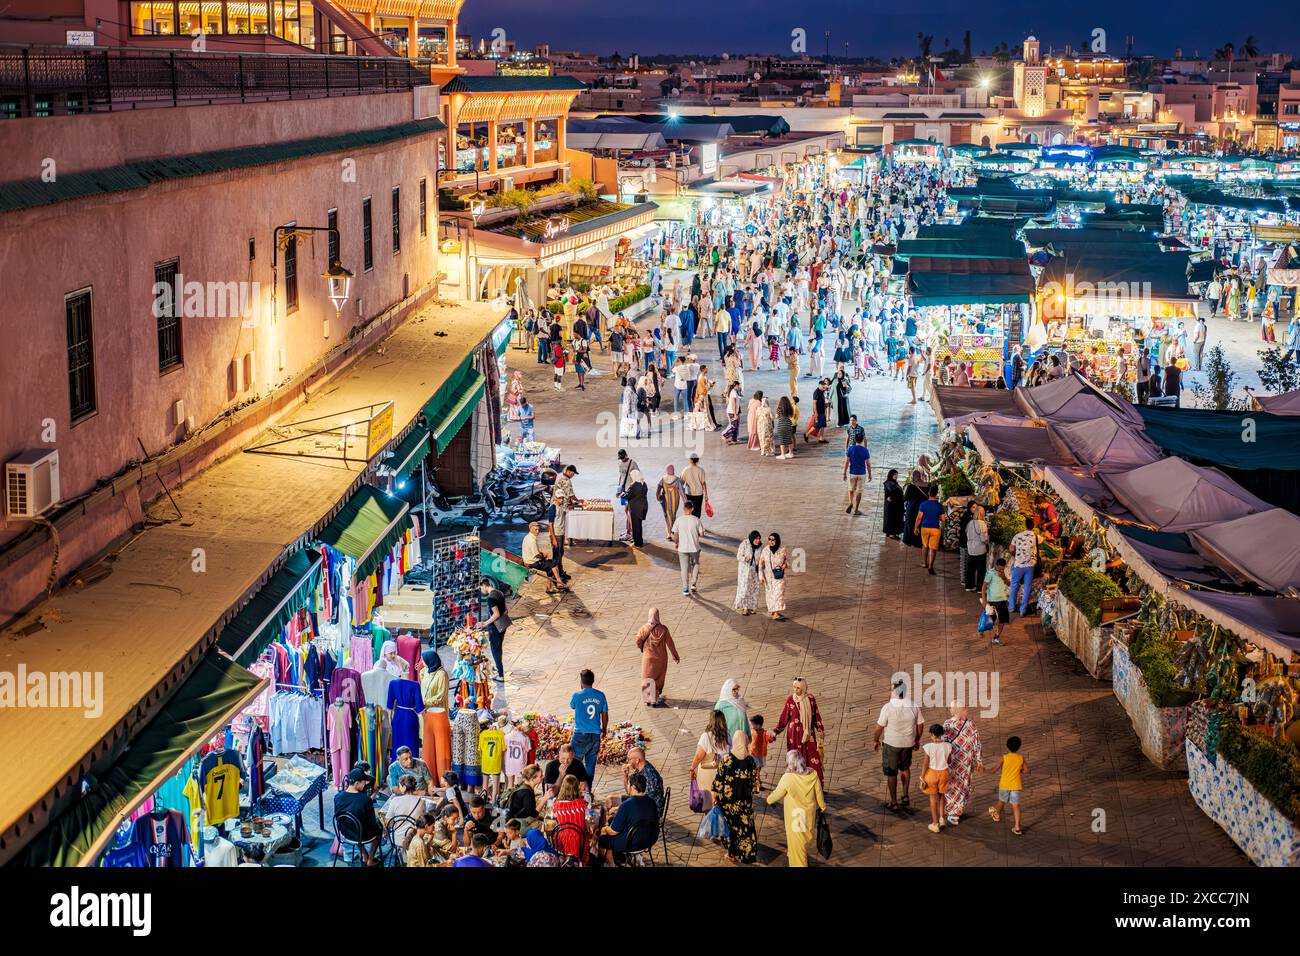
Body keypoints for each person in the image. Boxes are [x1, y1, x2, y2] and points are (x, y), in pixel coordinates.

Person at [765, 748, 826, 867]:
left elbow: (775, 795)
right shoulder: (813, 774)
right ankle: (793, 854)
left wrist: (768, 799)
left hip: (795, 821)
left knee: (798, 853)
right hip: (808, 817)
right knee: (803, 844)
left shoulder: (788, 778)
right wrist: (822, 807)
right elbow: (819, 794)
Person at [873, 678, 924, 811]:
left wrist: (875, 740)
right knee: (905, 768)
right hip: (908, 743)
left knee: (891, 773)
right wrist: (917, 739)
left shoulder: (888, 707)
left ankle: (894, 802)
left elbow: (879, 727)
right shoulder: (913, 706)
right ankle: (905, 795)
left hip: (891, 744)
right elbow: (920, 725)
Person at [711, 731, 760, 864]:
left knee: (731, 827)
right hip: (744, 803)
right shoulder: (751, 761)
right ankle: (746, 855)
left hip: (728, 803)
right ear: (745, 742)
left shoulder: (726, 760)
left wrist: (715, 798)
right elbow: (756, 787)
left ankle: (731, 854)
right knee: (745, 828)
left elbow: (718, 782)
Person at [598, 771, 659, 864]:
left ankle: (610, 863)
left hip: (631, 842)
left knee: (603, 837)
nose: (627, 786)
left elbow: (613, 831)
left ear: (633, 787)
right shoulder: (652, 802)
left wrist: (604, 828)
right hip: (649, 839)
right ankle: (622, 857)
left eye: (628, 784)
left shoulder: (627, 805)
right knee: (611, 828)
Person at [774, 678, 825, 783]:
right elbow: (784, 718)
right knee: (795, 760)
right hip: (794, 737)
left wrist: (820, 729)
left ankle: (816, 785)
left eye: (798, 688)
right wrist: (776, 731)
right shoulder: (790, 700)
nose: (795, 690)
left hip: (808, 735)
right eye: (794, 687)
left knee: (813, 759)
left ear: (803, 688)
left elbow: (815, 715)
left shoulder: (810, 699)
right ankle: (796, 785)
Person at [942, 703, 984, 827]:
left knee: (952, 786)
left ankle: (951, 811)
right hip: (966, 762)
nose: (949, 709)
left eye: (950, 708)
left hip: (951, 762)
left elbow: (943, 743)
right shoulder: (971, 724)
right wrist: (979, 760)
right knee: (963, 785)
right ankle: (956, 811)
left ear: (954, 711)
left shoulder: (947, 724)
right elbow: (977, 744)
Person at [334, 768, 383, 866]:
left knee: (357, 826)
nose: (365, 784)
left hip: (345, 832)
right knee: (379, 829)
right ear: (357, 783)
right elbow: (371, 823)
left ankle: (364, 854)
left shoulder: (337, 796)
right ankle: (370, 859)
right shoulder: (365, 800)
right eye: (363, 782)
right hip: (360, 834)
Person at [635, 607, 680, 707]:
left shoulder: (644, 629)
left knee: (647, 678)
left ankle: (647, 699)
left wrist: (642, 646)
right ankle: (654, 700)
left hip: (648, 658)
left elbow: (637, 640)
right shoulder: (663, 629)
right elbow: (670, 643)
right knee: (657, 679)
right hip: (661, 659)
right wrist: (675, 654)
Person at [569, 669, 608, 781]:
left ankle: (574, 790)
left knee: (574, 765)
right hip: (595, 735)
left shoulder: (577, 695)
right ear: (593, 681)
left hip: (580, 735)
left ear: (581, 682)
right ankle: (587, 791)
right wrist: (604, 729)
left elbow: (572, 706)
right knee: (590, 767)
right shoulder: (601, 696)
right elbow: (604, 715)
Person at [985, 736, 1028, 835]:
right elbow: (1026, 770)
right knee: (1016, 806)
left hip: (1004, 785)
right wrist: (1019, 770)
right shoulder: (1021, 758)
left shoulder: (1004, 758)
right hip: (1016, 786)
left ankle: (995, 812)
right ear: (1019, 746)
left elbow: (993, 770)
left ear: (1007, 746)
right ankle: (1017, 827)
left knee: (1002, 801)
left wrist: (984, 770)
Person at [690, 710, 732, 799]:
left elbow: (698, 756)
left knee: (708, 799)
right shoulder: (728, 736)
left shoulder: (706, 736)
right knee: (720, 797)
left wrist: (692, 768)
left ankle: (709, 812)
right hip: (724, 771)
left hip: (708, 771)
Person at [476, 579, 510, 683]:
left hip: (495, 628)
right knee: (498, 649)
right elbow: (505, 609)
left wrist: (484, 623)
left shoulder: (491, 598)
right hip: (502, 626)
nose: (481, 590)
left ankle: (500, 675)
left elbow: (496, 614)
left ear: (484, 586)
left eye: (480, 588)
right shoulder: (499, 593)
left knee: (496, 651)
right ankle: (498, 667)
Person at [919, 723, 951, 833]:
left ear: (932, 734)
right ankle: (942, 818)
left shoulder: (928, 747)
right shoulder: (948, 746)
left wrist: (922, 777)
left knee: (933, 799)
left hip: (931, 774)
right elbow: (949, 761)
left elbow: (925, 764)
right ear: (941, 734)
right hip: (944, 773)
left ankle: (935, 823)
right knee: (942, 796)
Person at [521, 521, 567, 591]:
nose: (537, 532)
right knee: (553, 564)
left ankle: (555, 583)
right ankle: (556, 584)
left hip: (528, 560)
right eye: (535, 530)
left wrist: (543, 555)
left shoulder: (527, 537)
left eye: (538, 530)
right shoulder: (532, 540)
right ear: (530, 529)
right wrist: (544, 556)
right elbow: (537, 555)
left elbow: (534, 552)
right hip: (532, 563)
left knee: (550, 563)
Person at [672, 499, 703, 595]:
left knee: (684, 569)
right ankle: (693, 584)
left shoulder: (678, 520)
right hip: (694, 547)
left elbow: (675, 534)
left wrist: (677, 543)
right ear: (692, 509)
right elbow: (701, 534)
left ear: (683, 509)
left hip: (682, 548)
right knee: (695, 564)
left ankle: (685, 589)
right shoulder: (696, 520)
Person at [623, 745, 666, 815]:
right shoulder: (640, 769)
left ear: (637, 760)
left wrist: (625, 807)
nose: (627, 762)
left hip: (649, 811)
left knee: (615, 812)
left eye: (629, 759)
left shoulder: (650, 776)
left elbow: (646, 802)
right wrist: (625, 775)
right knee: (610, 800)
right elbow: (629, 792)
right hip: (639, 801)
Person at [1008, 516, 1038, 617]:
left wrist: (1017, 553)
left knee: (1014, 585)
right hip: (1030, 566)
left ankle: (1011, 607)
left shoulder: (1017, 536)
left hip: (1019, 565)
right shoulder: (1036, 536)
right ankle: (1022, 610)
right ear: (1033, 526)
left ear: (1025, 525)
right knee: (1027, 587)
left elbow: (1011, 549)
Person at [758, 531, 790, 619]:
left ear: (777, 540)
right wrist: (761, 577)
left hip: (779, 576)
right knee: (770, 594)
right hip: (768, 577)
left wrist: (783, 566)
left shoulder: (782, 550)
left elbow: (787, 562)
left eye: (773, 540)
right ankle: (773, 611)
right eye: (769, 539)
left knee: (778, 594)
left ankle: (776, 613)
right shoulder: (765, 550)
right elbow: (760, 564)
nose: (771, 541)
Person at [915, 484, 944, 575]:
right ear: (937, 494)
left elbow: (919, 518)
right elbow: (943, 519)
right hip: (935, 529)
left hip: (925, 528)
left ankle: (924, 563)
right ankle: (931, 566)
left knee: (925, 546)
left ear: (928, 493)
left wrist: (915, 527)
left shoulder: (923, 504)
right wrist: (937, 516)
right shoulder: (939, 506)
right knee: (933, 548)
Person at [982, 557, 1011, 645]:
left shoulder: (1005, 571)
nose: (1001, 570)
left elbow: (1009, 584)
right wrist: (984, 600)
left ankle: (996, 637)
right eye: (1000, 568)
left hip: (1002, 599)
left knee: (1002, 620)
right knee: (990, 620)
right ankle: (981, 629)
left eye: (1003, 568)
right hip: (992, 600)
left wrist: (1004, 577)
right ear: (996, 566)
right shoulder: (990, 573)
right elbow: (984, 587)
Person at [842, 434, 872, 515]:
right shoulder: (865, 450)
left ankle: (850, 502)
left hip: (852, 473)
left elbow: (847, 462)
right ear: (862, 440)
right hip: (862, 474)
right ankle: (856, 510)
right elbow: (868, 464)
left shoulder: (850, 449)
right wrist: (870, 474)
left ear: (855, 439)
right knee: (859, 491)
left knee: (850, 489)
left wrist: (844, 473)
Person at [734, 529, 761, 615]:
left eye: (759, 539)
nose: (758, 541)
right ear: (752, 538)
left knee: (754, 589)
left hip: (755, 572)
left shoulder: (760, 547)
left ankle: (752, 606)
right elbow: (738, 556)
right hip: (745, 572)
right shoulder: (745, 543)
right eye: (756, 539)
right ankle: (744, 608)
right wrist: (745, 558)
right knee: (745, 589)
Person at [715, 678, 751, 743]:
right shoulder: (720, 706)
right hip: (728, 741)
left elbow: (745, 720)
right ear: (727, 690)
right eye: (734, 689)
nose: (736, 691)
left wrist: (749, 735)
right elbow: (716, 724)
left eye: (737, 689)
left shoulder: (740, 701)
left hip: (742, 740)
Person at [963, 503, 989, 592]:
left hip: (970, 549)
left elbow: (967, 535)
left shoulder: (970, 523)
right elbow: (984, 539)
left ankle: (969, 586)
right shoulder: (982, 524)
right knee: (981, 570)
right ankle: (979, 588)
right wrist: (987, 540)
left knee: (971, 568)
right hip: (980, 549)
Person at [656, 464, 684, 537]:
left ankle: (669, 533)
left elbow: (658, 488)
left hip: (666, 501)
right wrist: (686, 501)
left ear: (667, 471)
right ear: (674, 470)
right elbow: (682, 492)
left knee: (667, 515)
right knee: (673, 515)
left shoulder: (663, 479)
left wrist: (657, 496)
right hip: (676, 501)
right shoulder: (678, 480)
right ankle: (672, 530)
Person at [680, 452, 708, 524]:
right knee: (698, 511)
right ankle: (697, 526)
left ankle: (691, 526)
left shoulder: (685, 470)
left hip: (689, 493)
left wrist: (681, 495)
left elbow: (681, 483)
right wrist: (706, 495)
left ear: (690, 460)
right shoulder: (701, 470)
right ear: (697, 460)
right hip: (699, 493)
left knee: (689, 511)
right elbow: (703, 483)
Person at [624, 468, 649, 547]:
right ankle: (640, 541)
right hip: (643, 507)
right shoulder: (643, 483)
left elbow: (627, 496)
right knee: (639, 525)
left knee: (635, 526)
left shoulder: (634, 485)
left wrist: (622, 494)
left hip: (635, 508)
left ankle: (637, 543)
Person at [902, 471, 927, 548]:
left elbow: (906, 498)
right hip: (922, 508)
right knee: (920, 524)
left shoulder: (910, 487)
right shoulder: (926, 485)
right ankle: (919, 542)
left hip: (912, 508)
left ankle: (910, 541)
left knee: (910, 523)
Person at [882, 468, 905, 539]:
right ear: (891, 475)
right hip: (893, 505)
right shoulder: (888, 483)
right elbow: (892, 492)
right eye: (895, 474)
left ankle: (890, 532)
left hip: (895, 504)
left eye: (897, 475)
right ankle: (892, 533)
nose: (896, 476)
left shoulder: (893, 483)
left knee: (892, 519)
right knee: (892, 519)